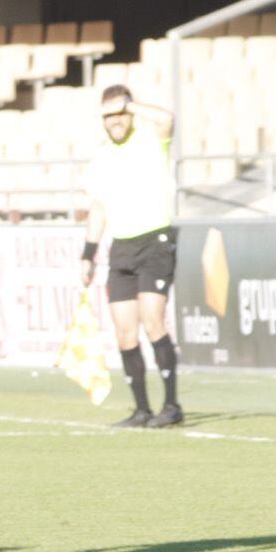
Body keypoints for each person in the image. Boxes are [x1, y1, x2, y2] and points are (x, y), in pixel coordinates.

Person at [79, 85, 181, 428]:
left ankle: (171, 405)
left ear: (130, 112)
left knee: (153, 320)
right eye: (108, 115)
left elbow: (168, 119)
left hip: (155, 241)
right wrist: (88, 254)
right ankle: (141, 410)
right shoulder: (101, 157)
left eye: (120, 113)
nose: (115, 121)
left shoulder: (152, 141)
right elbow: (98, 208)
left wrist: (132, 104)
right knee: (124, 332)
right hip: (121, 247)